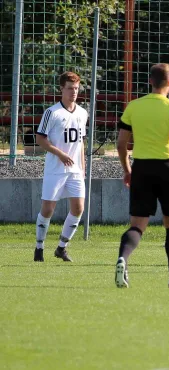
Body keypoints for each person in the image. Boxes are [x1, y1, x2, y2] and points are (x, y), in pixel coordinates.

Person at [114, 63, 169, 289]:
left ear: (150, 81)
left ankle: (123, 257)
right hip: (167, 169)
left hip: (141, 168)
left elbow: (121, 144)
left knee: (137, 225)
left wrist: (127, 169)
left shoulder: (133, 106)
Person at [34, 71, 88, 263]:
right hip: (55, 168)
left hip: (75, 170)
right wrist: (60, 154)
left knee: (78, 207)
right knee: (48, 209)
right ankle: (39, 247)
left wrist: (82, 167)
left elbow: (81, 141)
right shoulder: (52, 112)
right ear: (61, 89)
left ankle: (62, 248)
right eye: (70, 88)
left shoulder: (82, 113)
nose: (74, 92)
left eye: (76, 88)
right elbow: (40, 138)